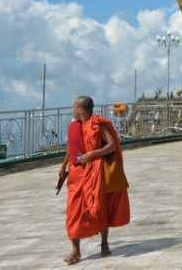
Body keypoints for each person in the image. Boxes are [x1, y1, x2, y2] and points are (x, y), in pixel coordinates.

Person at [58, 95, 130, 265]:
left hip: (94, 171)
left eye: (74, 107)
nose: (72, 110)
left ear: (81, 109)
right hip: (76, 173)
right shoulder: (74, 126)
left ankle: (104, 244)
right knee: (73, 211)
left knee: (98, 207)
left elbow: (111, 145)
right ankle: (76, 250)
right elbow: (71, 147)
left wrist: (92, 154)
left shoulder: (97, 125)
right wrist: (63, 166)